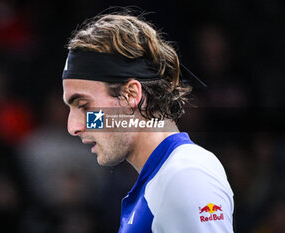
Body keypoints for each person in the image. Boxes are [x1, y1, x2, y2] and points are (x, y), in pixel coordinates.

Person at [62, 12, 234, 233]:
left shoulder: (186, 175)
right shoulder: (166, 178)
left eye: (84, 105)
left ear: (131, 95)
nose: (72, 126)